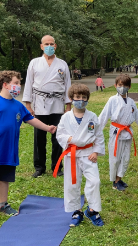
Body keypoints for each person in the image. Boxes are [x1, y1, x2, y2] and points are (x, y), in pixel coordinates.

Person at [0, 71, 57, 224]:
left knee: (4, 179)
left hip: (8, 150)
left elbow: (31, 120)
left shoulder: (18, 106)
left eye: (19, 83)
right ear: (5, 84)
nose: (19, 86)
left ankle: (3, 205)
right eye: (16, 83)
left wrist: (47, 128)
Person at [54, 83, 106, 227]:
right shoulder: (66, 117)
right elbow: (60, 134)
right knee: (72, 184)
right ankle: (76, 211)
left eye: (84, 97)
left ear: (87, 99)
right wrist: (70, 140)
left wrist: (96, 151)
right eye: (77, 97)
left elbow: (99, 135)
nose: (81, 100)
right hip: (72, 154)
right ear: (71, 98)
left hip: (89, 154)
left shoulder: (92, 116)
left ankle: (92, 210)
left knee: (95, 181)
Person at [23, 35, 71, 178]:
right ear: (41, 46)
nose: (49, 46)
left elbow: (68, 84)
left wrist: (68, 106)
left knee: (58, 137)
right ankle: (39, 167)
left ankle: (57, 166)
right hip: (39, 104)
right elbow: (29, 83)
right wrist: (28, 104)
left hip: (57, 104)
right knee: (39, 138)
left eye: (52, 44)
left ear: (55, 46)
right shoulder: (34, 63)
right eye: (46, 44)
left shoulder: (62, 64)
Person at [98, 74, 138, 191]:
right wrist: (96, 132)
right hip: (116, 132)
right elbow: (104, 115)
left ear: (129, 87)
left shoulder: (131, 102)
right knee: (115, 158)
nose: (122, 87)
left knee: (126, 158)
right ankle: (114, 181)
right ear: (115, 86)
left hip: (127, 133)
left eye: (125, 85)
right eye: (120, 85)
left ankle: (119, 178)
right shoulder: (112, 100)